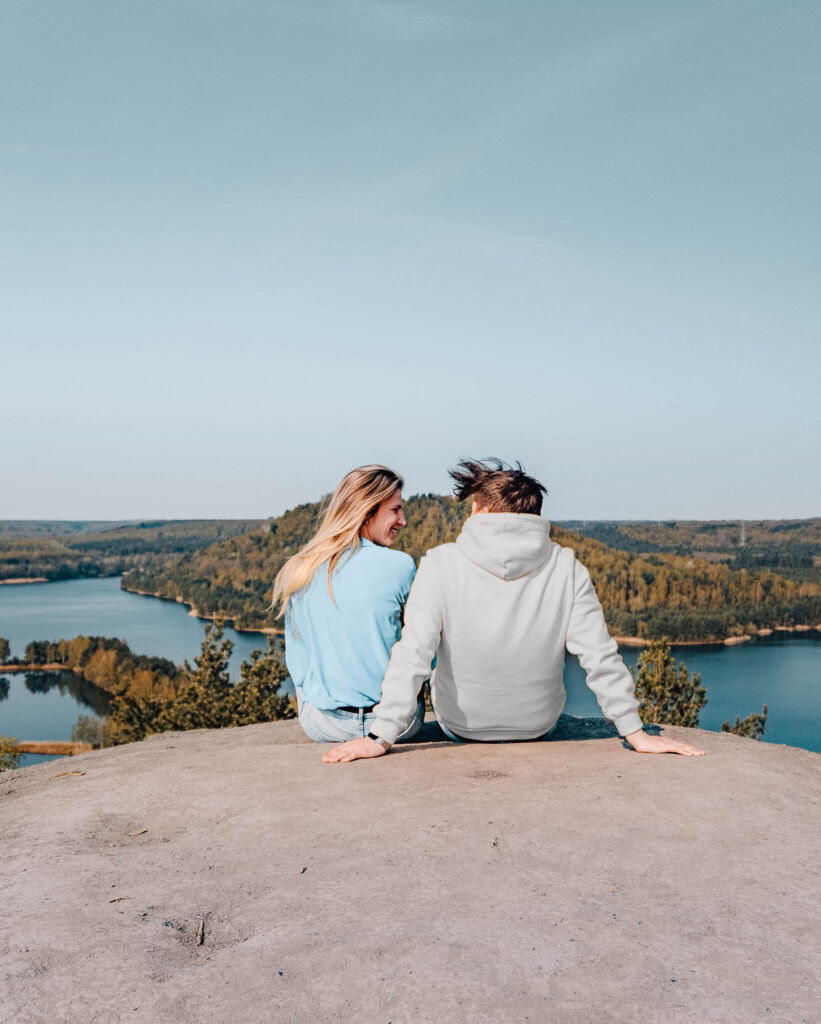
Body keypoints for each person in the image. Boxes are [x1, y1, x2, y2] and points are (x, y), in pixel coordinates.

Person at [322, 458, 705, 763]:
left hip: (461, 726)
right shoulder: (566, 566)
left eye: (472, 507)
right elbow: (599, 656)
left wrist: (380, 737)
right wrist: (635, 734)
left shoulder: (440, 563)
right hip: (538, 725)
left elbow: (413, 656)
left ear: (484, 509)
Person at [273, 464, 425, 744]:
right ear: (367, 512)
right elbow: (423, 650)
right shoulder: (401, 565)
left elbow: (299, 664)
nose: (403, 521)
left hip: (325, 726)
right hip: (397, 727)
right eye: (395, 510)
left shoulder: (301, 568)